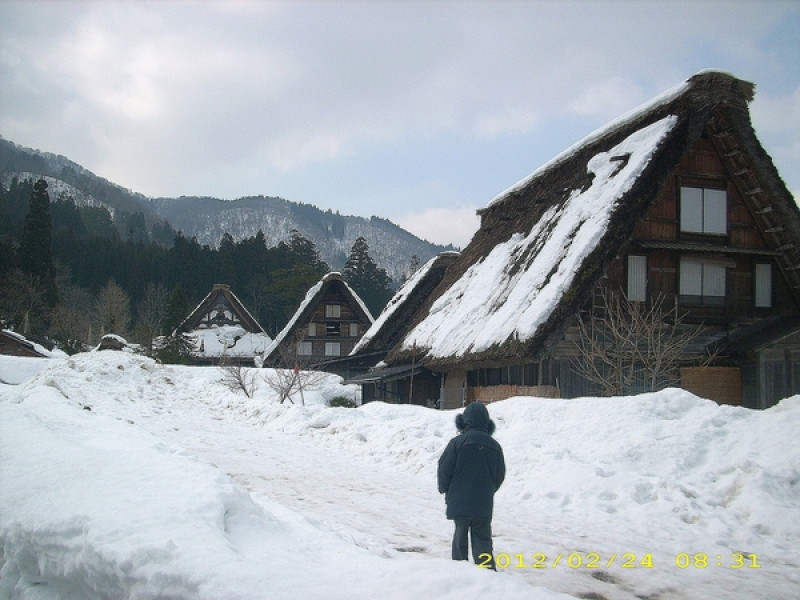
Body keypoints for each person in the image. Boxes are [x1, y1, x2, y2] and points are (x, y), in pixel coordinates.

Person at [437, 401, 506, 569]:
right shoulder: (495, 446)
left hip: (459, 501)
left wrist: (444, 488)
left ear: (465, 420)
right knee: (483, 540)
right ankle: (488, 574)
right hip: (483, 503)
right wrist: (488, 490)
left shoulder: (457, 443)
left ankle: (460, 573)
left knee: (460, 538)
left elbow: (444, 468)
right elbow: (499, 475)